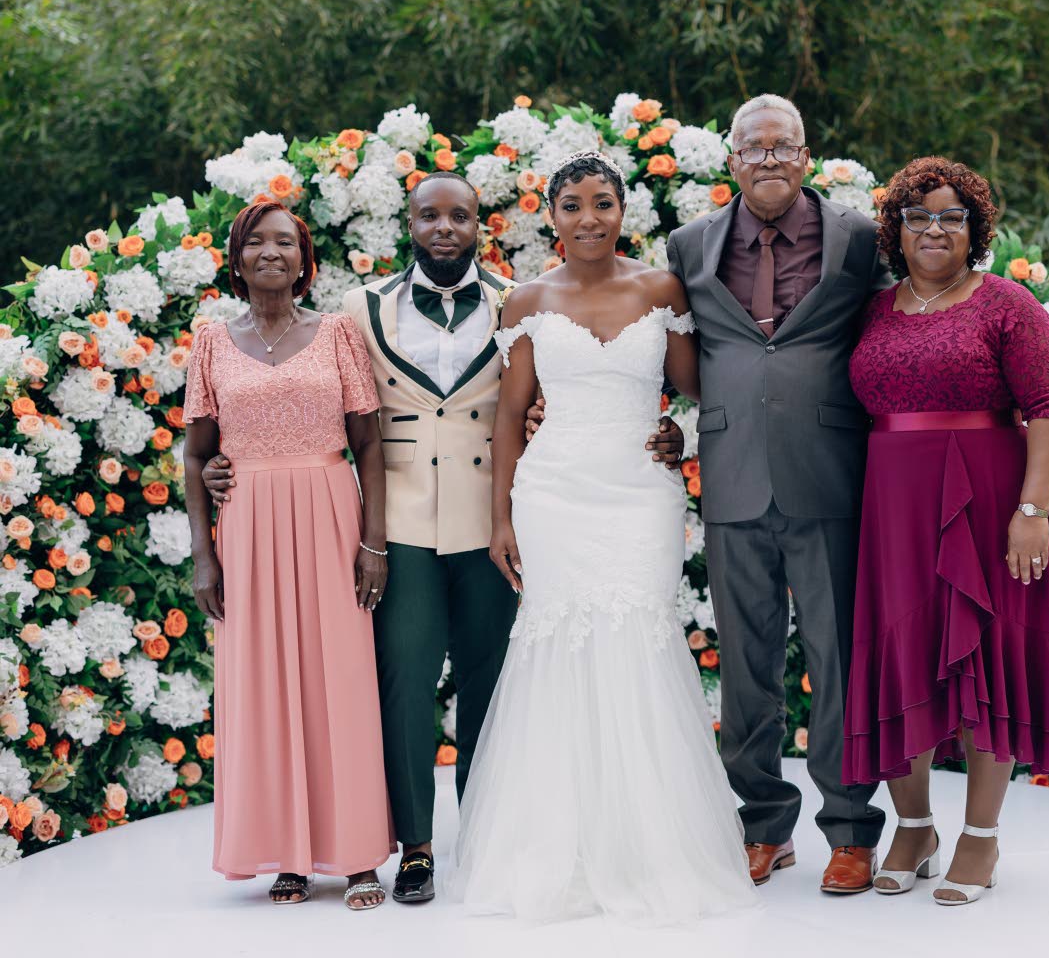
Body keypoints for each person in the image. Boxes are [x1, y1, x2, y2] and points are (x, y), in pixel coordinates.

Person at [201, 172, 684, 905]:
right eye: (430, 216)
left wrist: (648, 428)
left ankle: (489, 835)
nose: (445, 228)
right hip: (400, 522)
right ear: (411, 224)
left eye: (460, 215)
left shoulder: (520, 300)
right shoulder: (359, 311)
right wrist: (226, 459)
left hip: (497, 516)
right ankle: (416, 846)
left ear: (479, 224)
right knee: (404, 681)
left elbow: (556, 392)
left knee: (493, 680)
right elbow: (316, 404)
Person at [447, 151, 757, 923]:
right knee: (558, 645)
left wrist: (680, 437)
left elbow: (698, 388)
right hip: (553, 494)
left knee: (639, 640)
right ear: (551, 215)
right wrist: (501, 518)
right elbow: (509, 415)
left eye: (603, 203)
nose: (589, 218)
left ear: (624, 210)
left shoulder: (661, 289)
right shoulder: (526, 300)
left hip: (640, 495)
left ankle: (649, 846)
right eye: (573, 205)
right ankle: (561, 843)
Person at [841, 156, 1049, 905]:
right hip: (894, 508)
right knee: (902, 652)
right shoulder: (873, 310)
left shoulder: (1009, 305)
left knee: (985, 656)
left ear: (975, 229)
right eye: (918, 217)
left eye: (952, 217)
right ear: (896, 229)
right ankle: (914, 826)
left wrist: (1032, 511)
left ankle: (980, 835)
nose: (934, 230)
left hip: (989, 504)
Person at [663, 95, 890, 892]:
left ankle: (851, 829)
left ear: (805, 156)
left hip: (829, 472)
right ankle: (763, 823)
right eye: (752, 147)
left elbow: (895, 329)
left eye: (781, 145)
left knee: (838, 659)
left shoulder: (858, 237)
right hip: (732, 475)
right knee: (746, 665)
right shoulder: (690, 243)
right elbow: (670, 346)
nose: (767, 158)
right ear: (730, 160)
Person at [183, 201, 393, 910]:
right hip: (248, 525)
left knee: (342, 679)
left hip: (330, 515)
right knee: (264, 686)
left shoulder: (336, 333)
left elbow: (368, 443)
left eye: (286, 242)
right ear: (237, 258)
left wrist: (372, 542)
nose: (270, 252)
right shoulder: (211, 342)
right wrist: (204, 555)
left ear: (305, 261)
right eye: (256, 241)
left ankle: (359, 856)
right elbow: (196, 455)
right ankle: (289, 854)